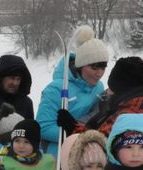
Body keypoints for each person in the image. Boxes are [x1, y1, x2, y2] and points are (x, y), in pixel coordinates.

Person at [61, 56, 143, 168]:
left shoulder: (135, 109)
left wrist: (72, 127)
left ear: (122, 88)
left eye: (112, 87)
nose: (108, 92)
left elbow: (101, 144)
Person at [36, 25, 108, 156]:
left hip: (89, 154)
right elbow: (43, 127)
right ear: (80, 66)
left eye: (103, 68)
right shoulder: (56, 88)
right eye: (94, 68)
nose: (99, 73)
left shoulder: (99, 87)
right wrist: (76, 135)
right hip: (59, 154)